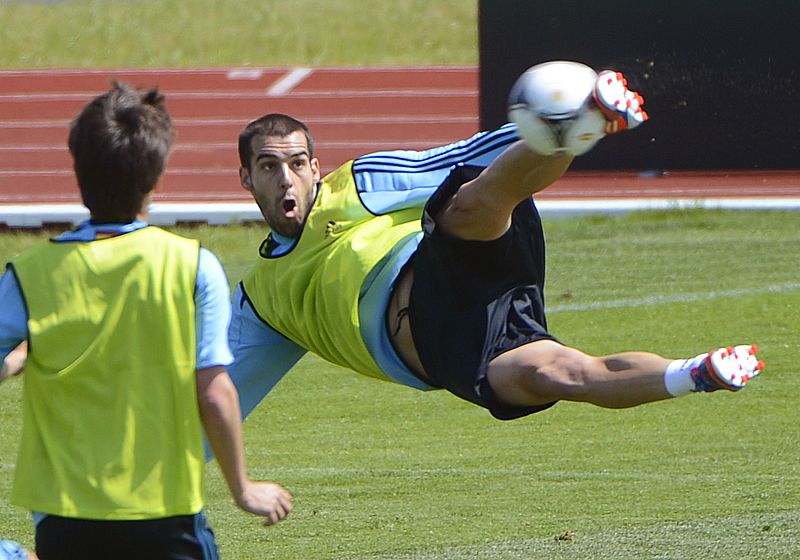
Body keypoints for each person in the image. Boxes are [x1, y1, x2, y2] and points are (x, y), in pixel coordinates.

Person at [227, 63, 764, 426]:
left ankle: (587, 121)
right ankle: (696, 373)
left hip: (444, 269)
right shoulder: (261, 303)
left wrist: (560, 119)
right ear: (247, 180)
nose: (286, 179)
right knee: (560, 375)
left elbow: (465, 154)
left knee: (470, 203)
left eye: (297, 164)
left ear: (315, 168)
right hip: (457, 355)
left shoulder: (360, 185)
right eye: (269, 167)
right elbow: (219, 399)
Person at [0, 82, 292, 560]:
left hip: (62, 516)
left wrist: (18, 358)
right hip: (164, 512)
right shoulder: (193, 266)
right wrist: (242, 488)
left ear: (78, 170)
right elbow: (214, 389)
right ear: (155, 177)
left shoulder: (28, 275)